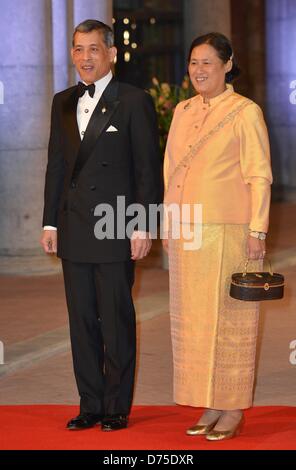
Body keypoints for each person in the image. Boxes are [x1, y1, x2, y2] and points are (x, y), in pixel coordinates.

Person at [41, 19, 160, 432]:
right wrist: (49, 224)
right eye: (78, 49)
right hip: (73, 227)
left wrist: (144, 225)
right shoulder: (61, 101)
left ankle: (116, 406)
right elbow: (56, 166)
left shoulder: (133, 100)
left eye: (93, 49)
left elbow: (148, 170)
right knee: (81, 321)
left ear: (111, 53)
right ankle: (89, 404)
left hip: (115, 227)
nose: (85, 57)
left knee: (116, 319)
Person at [163, 32, 272, 441]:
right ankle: (209, 400)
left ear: (228, 65)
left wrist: (257, 229)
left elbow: (259, 174)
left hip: (229, 230)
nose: (199, 70)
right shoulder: (181, 110)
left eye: (208, 62)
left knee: (229, 319)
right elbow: (171, 169)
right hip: (188, 230)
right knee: (194, 320)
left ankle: (232, 407)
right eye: (193, 62)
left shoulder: (245, 112)